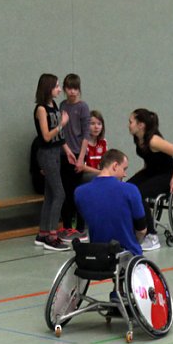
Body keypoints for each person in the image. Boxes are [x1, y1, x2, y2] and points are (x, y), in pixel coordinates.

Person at [127, 108, 173, 251]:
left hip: (167, 174)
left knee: (139, 193)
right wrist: (140, 173)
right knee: (127, 189)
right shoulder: (138, 138)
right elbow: (149, 158)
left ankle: (152, 236)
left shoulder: (154, 140)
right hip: (152, 171)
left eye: (131, 122)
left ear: (141, 125)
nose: (128, 125)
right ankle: (134, 227)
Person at [75, 149, 147, 256]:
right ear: (115, 166)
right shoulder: (130, 190)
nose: (125, 174)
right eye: (124, 169)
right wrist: (134, 242)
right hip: (127, 256)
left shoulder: (79, 193)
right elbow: (141, 231)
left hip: (97, 257)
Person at [33, 73, 70, 251]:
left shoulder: (53, 104)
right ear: (48, 88)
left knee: (50, 194)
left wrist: (68, 152)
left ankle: (43, 233)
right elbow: (47, 136)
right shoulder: (41, 109)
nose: (59, 89)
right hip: (46, 153)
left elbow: (59, 138)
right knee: (59, 194)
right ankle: (52, 235)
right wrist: (62, 124)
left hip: (56, 152)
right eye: (56, 86)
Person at [58, 74, 90, 243]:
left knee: (77, 192)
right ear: (64, 89)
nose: (72, 91)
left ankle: (80, 228)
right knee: (66, 192)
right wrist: (66, 150)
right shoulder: (62, 105)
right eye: (69, 88)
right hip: (65, 154)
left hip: (78, 154)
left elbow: (86, 134)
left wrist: (81, 158)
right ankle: (67, 226)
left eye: (75, 88)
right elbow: (61, 131)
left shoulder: (83, 107)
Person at [82, 110, 108, 178]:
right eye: (92, 124)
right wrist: (100, 172)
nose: (96, 127)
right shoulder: (82, 143)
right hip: (86, 176)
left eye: (99, 124)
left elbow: (107, 163)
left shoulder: (103, 142)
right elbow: (82, 167)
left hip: (100, 175)